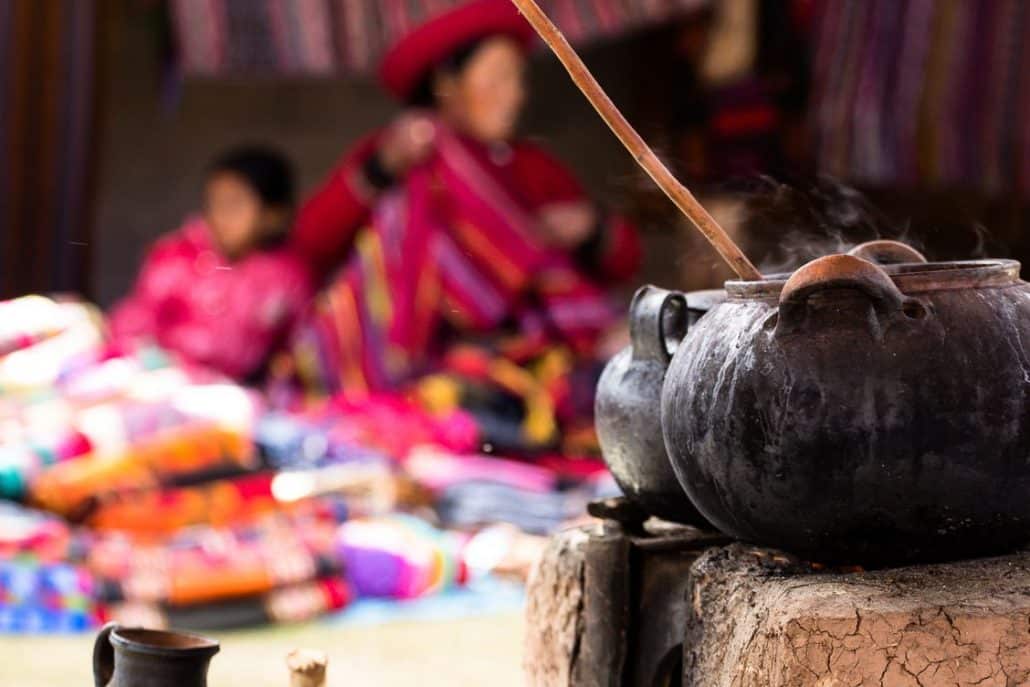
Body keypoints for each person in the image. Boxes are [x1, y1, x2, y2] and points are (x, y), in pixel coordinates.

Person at [285, 0, 642, 454]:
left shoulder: (533, 169)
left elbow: (624, 260)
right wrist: (380, 168)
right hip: (418, 356)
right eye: (496, 79)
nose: (514, 95)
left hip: (520, 356)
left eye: (517, 79)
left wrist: (593, 229)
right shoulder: (401, 156)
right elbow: (312, 242)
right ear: (446, 85)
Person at [110, 146, 313, 382]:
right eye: (214, 204)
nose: (220, 216)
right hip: (163, 379)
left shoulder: (286, 277)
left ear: (273, 215)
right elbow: (136, 319)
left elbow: (298, 346)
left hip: (239, 395)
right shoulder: (175, 259)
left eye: (233, 205)